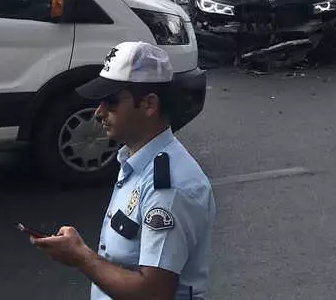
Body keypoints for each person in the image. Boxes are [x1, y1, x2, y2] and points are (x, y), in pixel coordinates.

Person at [31, 41, 215, 300]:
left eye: (111, 101)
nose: (99, 112)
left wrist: (81, 256)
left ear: (149, 105)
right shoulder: (136, 163)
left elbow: (153, 292)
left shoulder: (169, 188)